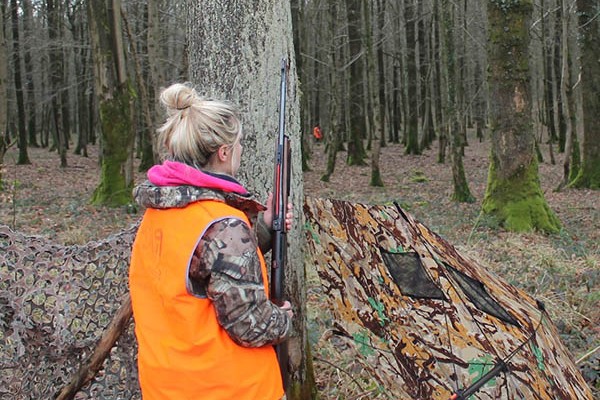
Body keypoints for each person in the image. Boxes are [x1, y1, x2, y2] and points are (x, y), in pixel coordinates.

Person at [129, 82, 294, 400]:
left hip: (166, 388)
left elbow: (199, 271)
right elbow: (250, 325)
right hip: (231, 390)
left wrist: (263, 230)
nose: (241, 150)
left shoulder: (157, 215)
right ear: (224, 152)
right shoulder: (224, 226)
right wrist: (283, 319)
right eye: (239, 143)